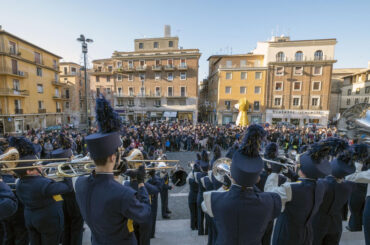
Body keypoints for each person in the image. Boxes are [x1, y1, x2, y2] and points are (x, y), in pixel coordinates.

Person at [75, 96, 151, 245]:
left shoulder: (79, 183)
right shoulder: (123, 194)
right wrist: (141, 183)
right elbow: (144, 214)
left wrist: (114, 173)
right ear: (112, 157)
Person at [202, 124, 281, 245]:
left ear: (232, 175)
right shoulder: (270, 201)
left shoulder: (214, 199)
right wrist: (274, 174)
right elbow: (273, 193)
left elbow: (204, 205)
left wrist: (226, 185)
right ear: (257, 178)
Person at [265, 139, 333, 245]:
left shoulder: (289, 188)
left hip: (286, 235)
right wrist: (293, 175)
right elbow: (307, 183)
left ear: (302, 170)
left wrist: (274, 173)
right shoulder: (322, 184)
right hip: (306, 235)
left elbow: (269, 196)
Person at [14, 137, 73, 245]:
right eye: (36, 165)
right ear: (29, 171)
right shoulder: (43, 184)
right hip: (48, 221)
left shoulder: (19, 183)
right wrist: (66, 170)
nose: (40, 166)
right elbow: (68, 187)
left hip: (30, 218)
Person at [312, 143, 366, 245]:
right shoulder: (348, 186)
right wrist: (356, 164)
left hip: (318, 223)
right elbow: (353, 177)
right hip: (336, 224)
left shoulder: (321, 184)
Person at [51, 134, 84, 245]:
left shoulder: (53, 169)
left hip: (60, 201)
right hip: (73, 201)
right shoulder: (71, 169)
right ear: (69, 158)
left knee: (66, 227)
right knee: (76, 228)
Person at [194, 150, 210, 236]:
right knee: (207, 215)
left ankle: (200, 232)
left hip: (200, 196)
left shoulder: (198, 175)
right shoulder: (210, 176)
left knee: (200, 215)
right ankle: (207, 231)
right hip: (207, 197)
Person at [187, 153, 201, 230]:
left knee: (192, 213)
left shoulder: (190, 179)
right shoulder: (200, 180)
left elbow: (187, 178)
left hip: (191, 197)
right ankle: (198, 226)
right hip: (198, 197)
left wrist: (192, 171)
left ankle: (193, 226)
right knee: (198, 213)